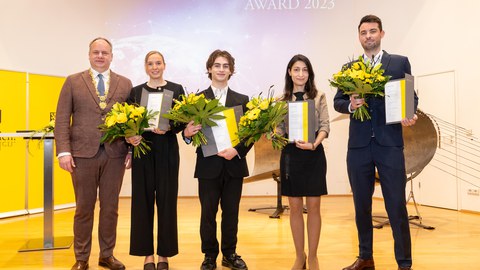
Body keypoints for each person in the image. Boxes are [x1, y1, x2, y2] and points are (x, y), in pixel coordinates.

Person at [333, 15, 418, 270]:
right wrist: (350, 104)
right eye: (363, 32)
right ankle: (365, 258)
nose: (368, 36)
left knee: (395, 206)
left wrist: (410, 112)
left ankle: (404, 263)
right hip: (358, 146)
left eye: (372, 31)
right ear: (359, 37)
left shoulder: (398, 62)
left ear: (382, 33)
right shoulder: (349, 68)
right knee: (361, 206)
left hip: (389, 144)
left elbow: (410, 96)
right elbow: (338, 101)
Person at [54, 37, 133, 270]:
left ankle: (106, 255)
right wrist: (63, 152)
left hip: (115, 154)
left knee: (110, 208)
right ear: (89, 54)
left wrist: (130, 149)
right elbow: (61, 119)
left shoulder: (125, 83)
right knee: (83, 209)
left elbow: (132, 120)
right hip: (81, 155)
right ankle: (81, 257)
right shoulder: (72, 82)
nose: (100, 56)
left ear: (112, 56)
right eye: (96, 52)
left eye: (105, 53)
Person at [183, 49, 251, 270]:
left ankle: (229, 254)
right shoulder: (198, 100)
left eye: (225, 66)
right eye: (217, 65)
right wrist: (187, 133)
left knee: (231, 213)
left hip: (234, 164)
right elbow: (189, 134)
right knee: (208, 214)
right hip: (208, 166)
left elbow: (250, 134)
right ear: (209, 69)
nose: (221, 70)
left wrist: (237, 150)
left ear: (231, 70)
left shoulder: (242, 100)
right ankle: (209, 255)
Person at [125, 51, 185, 270]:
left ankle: (164, 256)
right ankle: (147, 255)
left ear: (164, 65)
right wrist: (131, 135)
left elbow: (182, 122)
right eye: (150, 63)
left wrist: (171, 126)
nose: (154, 67)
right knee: (142, 202)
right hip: (143, 150)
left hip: (167, 150)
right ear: (145, 67)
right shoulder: (136, 92)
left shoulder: (176, 89)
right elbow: (128, 123)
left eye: (158, 63)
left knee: (167, 202)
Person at [277, 54, 330, 270]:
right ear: (289, 72)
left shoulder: (319, 96)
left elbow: (325, 126)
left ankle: (314, 256)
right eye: (296, 69)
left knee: (314, 207)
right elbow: (279, 130)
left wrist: (314, 144)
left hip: (314, 154)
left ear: (310, 73)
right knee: (295, 207)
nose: (300, 74)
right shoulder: (280, 101)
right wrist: (274, 133)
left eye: (304, 70)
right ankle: (300, 256)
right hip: (291, 156)